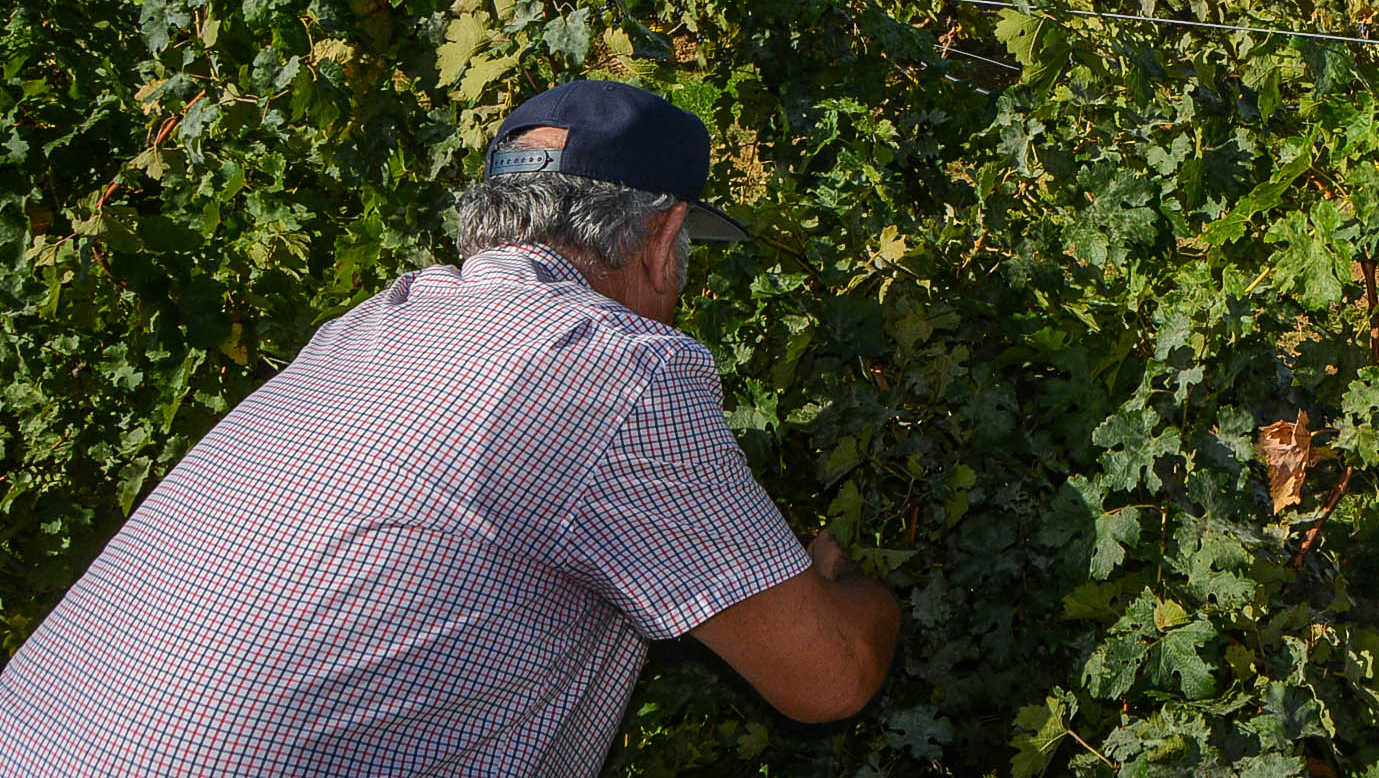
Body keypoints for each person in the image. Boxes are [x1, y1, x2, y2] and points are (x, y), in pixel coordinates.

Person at [0, 80, 901, 775]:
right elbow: (828, 676)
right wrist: (847, 584)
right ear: (664, 239)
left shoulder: (375, 321)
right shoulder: (614, 367)